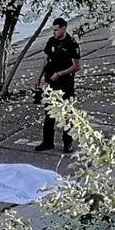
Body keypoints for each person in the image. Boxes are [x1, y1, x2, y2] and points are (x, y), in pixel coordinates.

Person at [33, 17, 80, 153]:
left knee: (67, 113)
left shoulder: (72, 44)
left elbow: (76, 66)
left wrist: (60, 73)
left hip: (65, 82)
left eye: (56, 30)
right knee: (49, 114)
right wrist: (39, 77)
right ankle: (48, 142)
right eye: (53, 30)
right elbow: (46, 60)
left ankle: (67, 143)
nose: (54, 32)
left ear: (64, 29)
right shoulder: (51, 41)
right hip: (51, 82)